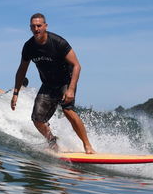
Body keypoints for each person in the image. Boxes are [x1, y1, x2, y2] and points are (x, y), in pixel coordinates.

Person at [11, 13, 95, 154]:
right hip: (48, 84)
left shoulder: (58, 42)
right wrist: (15, 93)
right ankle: (53, 143)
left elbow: (76, 66)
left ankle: (87, 146)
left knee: (68, 111)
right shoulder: (29, 46)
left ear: (45, 26)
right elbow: (22, 70)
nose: (36, 29)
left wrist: (71, 89)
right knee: (37, 119)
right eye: (33, 26)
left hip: (66, 81)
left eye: (39, 26)